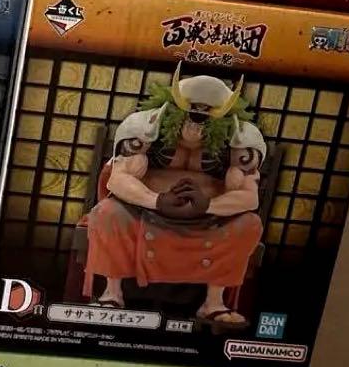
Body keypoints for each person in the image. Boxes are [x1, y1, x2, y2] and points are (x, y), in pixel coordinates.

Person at [83, 65, 265, 328]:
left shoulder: (239, 142)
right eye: (190, 114)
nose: (195, 124)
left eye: (206, 117)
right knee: (108, 212)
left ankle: (213, 302)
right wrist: (155, 200)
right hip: (145, 213)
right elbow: (118, 179)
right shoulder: (144, 130)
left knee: (249, 223)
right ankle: (112, 294)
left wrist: (208, 205)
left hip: (210, 220)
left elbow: (249, 197)